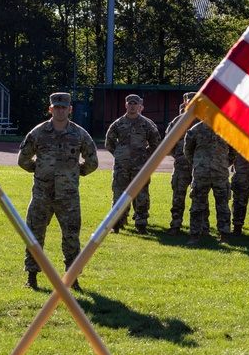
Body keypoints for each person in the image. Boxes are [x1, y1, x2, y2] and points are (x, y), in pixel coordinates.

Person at [19, 92, 98, 290]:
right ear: (50, 109)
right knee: (35, 235)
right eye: (57, 107)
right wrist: (39, 170)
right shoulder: (38, 133)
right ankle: (32, 276)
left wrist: (75, 173)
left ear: (70, 109)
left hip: (68, 196)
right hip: (42, 194)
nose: (60, 110)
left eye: (64, 107)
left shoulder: (79, 134)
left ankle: (72, 278)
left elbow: (93, 161)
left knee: (71, 237)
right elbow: (23, 158)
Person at [105, 94, 161, 233]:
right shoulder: (118, 124)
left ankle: (141, 223)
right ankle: (117, 223)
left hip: (140, 167)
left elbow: (156, 142)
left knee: (141, 194)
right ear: (126, 105)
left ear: (139, 106)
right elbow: (109, 142)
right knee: (119, 194)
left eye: (135, 104)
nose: (132, 106)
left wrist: (145, 156)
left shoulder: (146, 124)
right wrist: (119, 154)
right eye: (130, 103)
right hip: (121, 167)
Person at [184, 116, 237, 244]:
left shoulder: (227, 129)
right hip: (201, 175)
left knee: (223, 206)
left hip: (220, 175)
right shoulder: (195, 130)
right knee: (197, 207)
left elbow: (234, 151)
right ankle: (195, 235)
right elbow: (187, 151)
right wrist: (198, 164)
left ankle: (224, 235)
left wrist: (224, 164)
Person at [166, 92, 196, 236]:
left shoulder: (205, 121)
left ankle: (201, 227)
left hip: (199, 167)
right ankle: (176, 224)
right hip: (181, 166)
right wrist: (179, 156)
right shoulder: (176, 122)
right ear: (185, 103)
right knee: (178, 196)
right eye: (189, 102)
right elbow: (168, 144)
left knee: (199, 198)